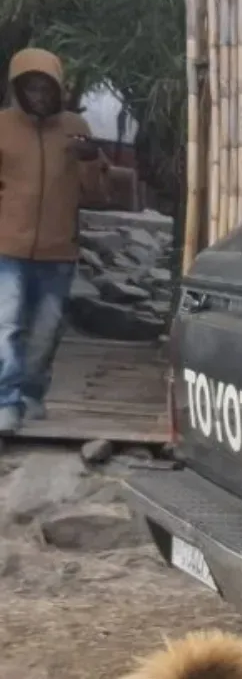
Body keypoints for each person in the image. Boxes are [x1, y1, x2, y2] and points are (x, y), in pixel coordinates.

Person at [0, 47, 108, 433]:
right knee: (6, 324)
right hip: (6, 248)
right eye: (30, 88)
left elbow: (97, 194)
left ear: (58, 88)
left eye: (45, 88)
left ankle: (31, 392)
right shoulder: (3, 127)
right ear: (18, 89)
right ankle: (5, 401)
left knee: (46, 329)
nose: (39, 95)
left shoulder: (75, 127)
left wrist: (90, 158)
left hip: (58, 249)